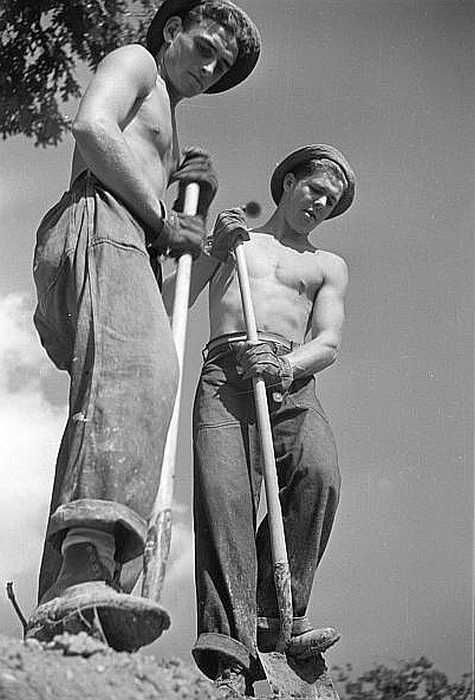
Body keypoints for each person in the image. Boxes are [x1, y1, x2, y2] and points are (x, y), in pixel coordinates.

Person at [27, 0, 260, 652]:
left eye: (225, 63)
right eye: (206, 47)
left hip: (129, 241)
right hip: (97, 221)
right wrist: (163, 216)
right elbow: (93, 128)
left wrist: (202, 233)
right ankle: (82, 568)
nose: (212, 67)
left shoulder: (172, 138)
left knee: (150, 376)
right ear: (171, 32)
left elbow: (162, 306)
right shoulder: (137, 65)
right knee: (135, 371)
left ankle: (89, 596)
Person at [186, 144, 356, 695]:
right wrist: (211, 248)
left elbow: (328, 342)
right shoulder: (237, 244)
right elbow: (175, 296)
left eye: (330, 201)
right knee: (225, 498)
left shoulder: (327, 265)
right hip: (226, 373)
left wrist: (286, 364)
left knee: (318, 474)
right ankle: (230, 649)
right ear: (288, 184)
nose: (320, 204)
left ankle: (275, 614)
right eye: (314, 189)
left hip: (290, 373)